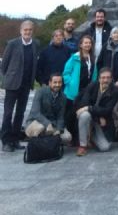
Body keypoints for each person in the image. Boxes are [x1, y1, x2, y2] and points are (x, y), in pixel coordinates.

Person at [1, 20, 39, 152]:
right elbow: (4, 65)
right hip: (12, 85)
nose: (28, 32)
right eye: (25, 30)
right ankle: (6, 141)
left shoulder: (35, 44)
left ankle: (15, 139)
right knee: (7, 113)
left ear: (32, 31)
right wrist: (9, 78)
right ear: (21, 31)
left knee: (20, 113)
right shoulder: (12, 44)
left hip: (26, 84)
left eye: (30, 30)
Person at [75, 67, 118, 156]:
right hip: (95, 118)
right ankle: (82, 146)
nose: (105, 80)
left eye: (108, 78)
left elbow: (107, 110)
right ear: (99, 78)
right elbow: (84, 102)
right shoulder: (92, 85)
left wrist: (89, 108)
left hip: (103, 121)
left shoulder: (115, 91)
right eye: (103, 77)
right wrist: (98, 116)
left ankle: (92, 136)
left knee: (105, 147)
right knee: (84, 115)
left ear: (111, 79)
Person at [62, 34, 97, 144]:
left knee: (80, 116)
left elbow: (94, 75)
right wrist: (70, 82)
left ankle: (78, 138)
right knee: (70, 116)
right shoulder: (74, 57)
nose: (87, 45)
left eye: (89, 43)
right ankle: (69, 137)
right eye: (85, 43)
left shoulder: (92, 58)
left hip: (86, 92)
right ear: (81, 45)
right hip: (73, 92)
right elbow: (66, 73)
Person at [24, 73, 71, 143]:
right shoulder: (40, 92)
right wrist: (47, 124)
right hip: (36, 122)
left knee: (67, 137)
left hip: (53, 124)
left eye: (59, 82)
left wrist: (59, 130)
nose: (57, 85)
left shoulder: (63, 97)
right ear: (50, 83)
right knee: (40, 128)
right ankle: (38, 143)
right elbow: (35, 112)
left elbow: (60, 116)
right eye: (55, 82)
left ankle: (48, 142)